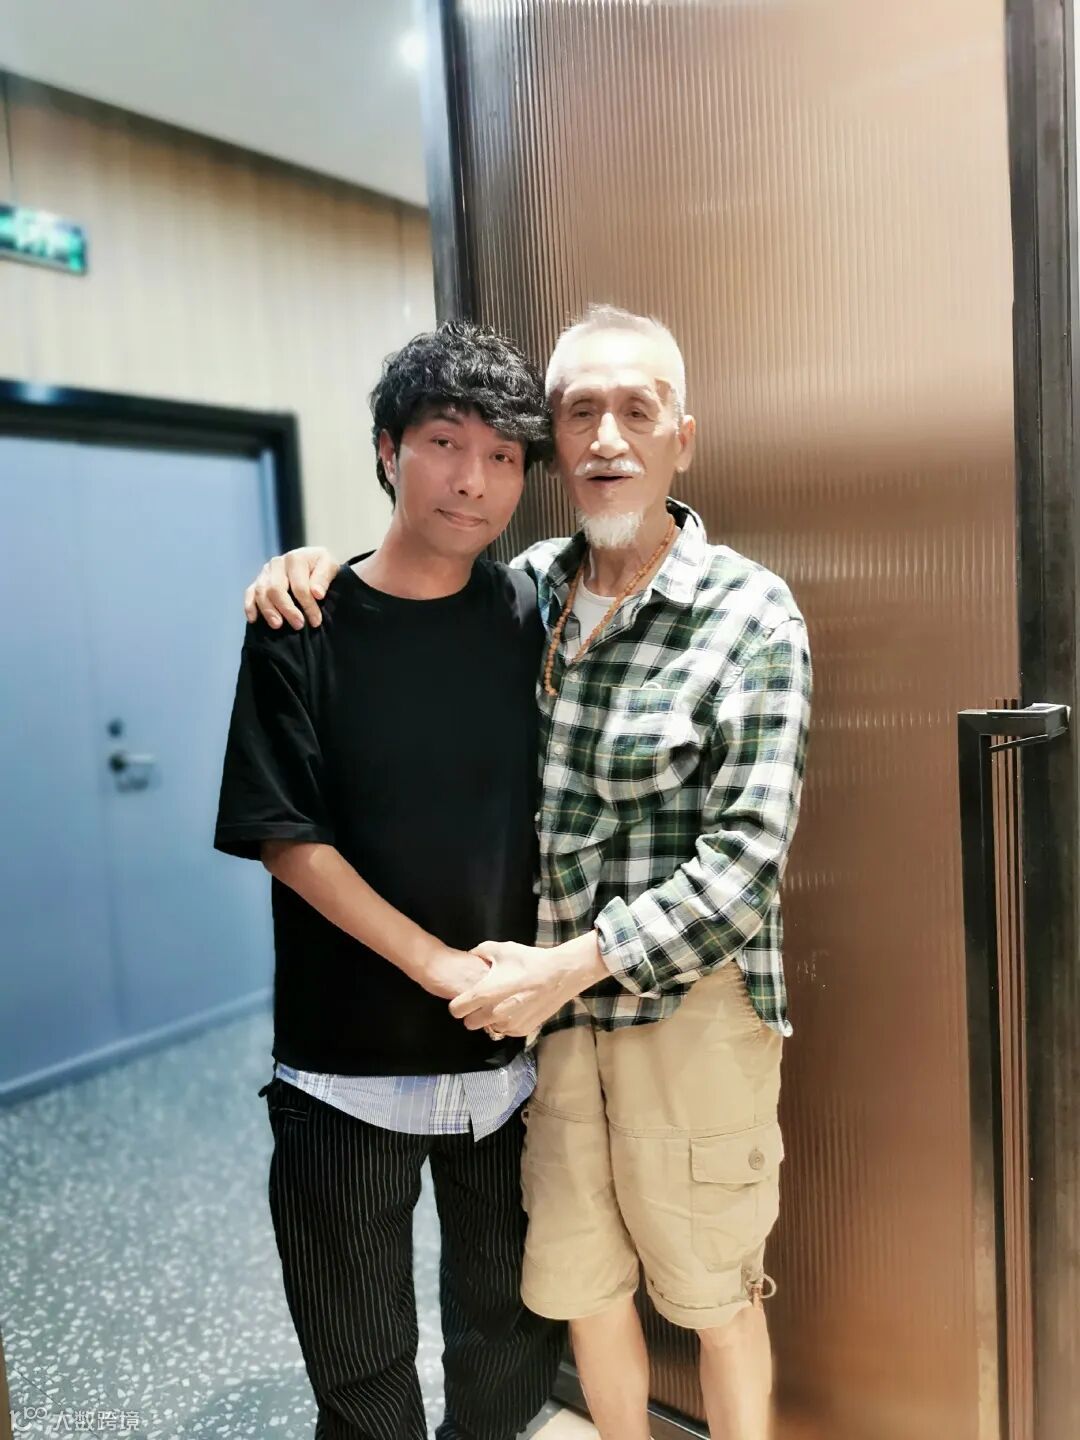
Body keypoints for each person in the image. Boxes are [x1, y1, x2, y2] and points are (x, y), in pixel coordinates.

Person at [246, 305, 813, 1440]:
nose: (607, 438)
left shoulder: (746, 611)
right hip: (531, 1023)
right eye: (580, 412)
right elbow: (397, 602)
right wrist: (304, 569)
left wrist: (569, 967)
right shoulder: (532, 588)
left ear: (682, 438)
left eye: (638, 411)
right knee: (577, 1281)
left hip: (676, 1004)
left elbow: (746, 860)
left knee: (710, 1291)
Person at [214, 321, 564, 1440]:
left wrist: (498, 985)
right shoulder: (302, 623)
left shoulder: (531, 616)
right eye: (444, 443)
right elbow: (288, 837)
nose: (473, 479)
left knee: (508, 1343)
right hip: (344, 1064)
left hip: (508, 1062)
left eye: (503, 455)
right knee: (360, 1368)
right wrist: (439, 966)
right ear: (387, 450)